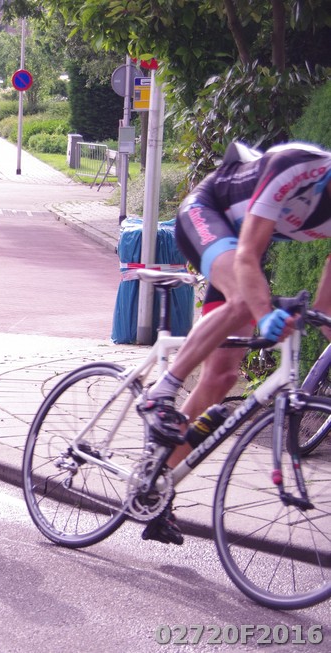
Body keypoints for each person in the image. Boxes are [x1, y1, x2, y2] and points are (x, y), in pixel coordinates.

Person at [139, 140, 331, 545]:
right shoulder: (296, 165)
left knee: (222, 377)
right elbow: (245, 258)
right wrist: (264, 315)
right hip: (206, 213)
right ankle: (161, 392)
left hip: (241, 243)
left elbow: (325, 307)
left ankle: (156, 487)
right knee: (245, 301)